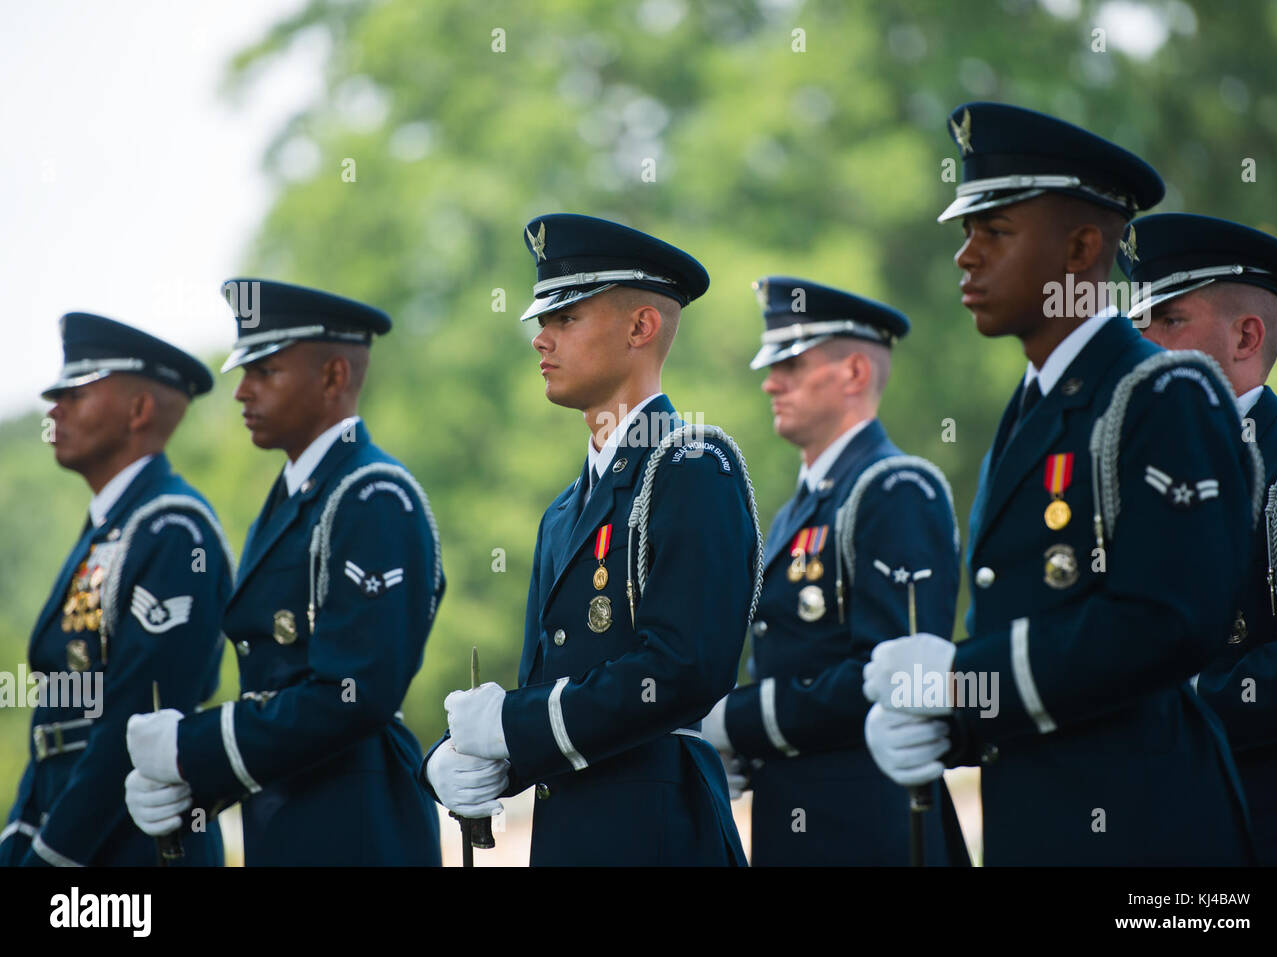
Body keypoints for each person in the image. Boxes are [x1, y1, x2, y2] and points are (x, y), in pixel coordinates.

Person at [864, 102, 1258, 864]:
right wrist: (951, 722)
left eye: (996, 231)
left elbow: (1166, 621)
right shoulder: (1033, 407)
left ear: (1081, 249)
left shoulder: (1163, 393)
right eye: (966, 232)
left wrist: (961, 678)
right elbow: (1045, 644)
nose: (965, 257)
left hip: (1150, 838)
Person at [420, 214, 760, 865]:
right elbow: (545, 690)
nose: (540, 339)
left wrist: (510, 727)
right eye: (541, 321)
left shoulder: (691, 465)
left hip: (661, 836)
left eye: (566, 317)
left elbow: (684, 670)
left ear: (641, 327)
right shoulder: (562, 512)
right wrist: (458, 758)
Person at [124, 279, 444, 865]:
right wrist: (197, 783)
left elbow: (356, 696)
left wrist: (191, 748)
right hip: (290, 817)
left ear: (333, 377)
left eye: (265, 371)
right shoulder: (296, 497)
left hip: (358, 821)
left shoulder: (371, 494)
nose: (241, 391)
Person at [700, 276, 968, 865]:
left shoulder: (894, 488)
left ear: (854, 373)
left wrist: (740, 721)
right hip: (801, 821)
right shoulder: (805, 504)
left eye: (793, 364)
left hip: (873, 826)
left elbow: (892, 683)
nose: (771, 382)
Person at [1, 313, 229, 867]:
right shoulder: (115, 526)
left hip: (133, 849)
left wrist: (51, 856)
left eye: (76, 393)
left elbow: (131, 720)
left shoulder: (173, 530)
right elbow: (56, 719)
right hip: (71, 828)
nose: (54, 409)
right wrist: (20, 833)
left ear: (139, 410)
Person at [1119, 213, 1277, 864]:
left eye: (1167, 321)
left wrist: (1175, 700)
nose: (1140, 342)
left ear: (1246, 335)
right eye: (1136, 324)